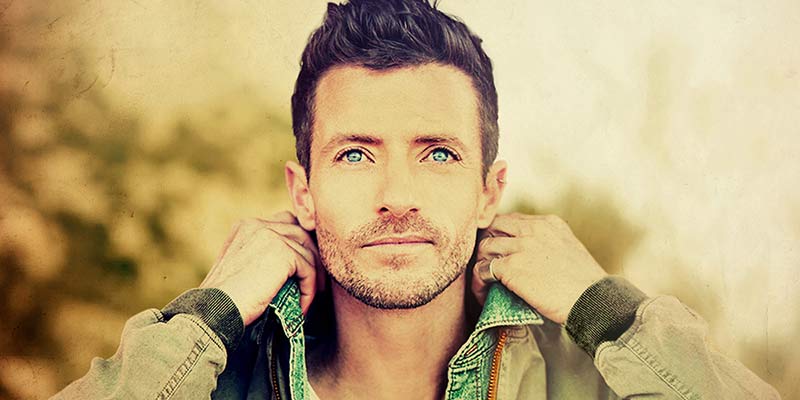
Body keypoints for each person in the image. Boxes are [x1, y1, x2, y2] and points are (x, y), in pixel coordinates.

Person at [54, 1, 780, 399]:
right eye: (355, 154)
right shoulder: (214, 378)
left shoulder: (592, 377)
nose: (396, 197)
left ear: (489, 192)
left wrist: (605, 308)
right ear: (303, 193)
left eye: (437, 154)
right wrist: (206, 316)